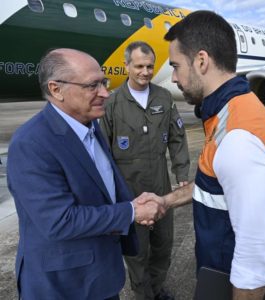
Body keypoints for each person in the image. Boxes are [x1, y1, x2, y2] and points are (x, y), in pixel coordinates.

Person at [139, 10, 265, 300]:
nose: (175, 79)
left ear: (202, 61)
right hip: (220, 277)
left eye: (177, 66)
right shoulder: (229, 111)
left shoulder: (237, 136)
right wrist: (165, 201)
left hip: (231, 287)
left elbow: (254, 260)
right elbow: (219, 184)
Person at [6, 48, 164, 300]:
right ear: (56, 89)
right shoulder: (31, 143)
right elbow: (59, 221)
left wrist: (130, 203)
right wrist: (132, 211)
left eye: (104, 82)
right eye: (93, 85)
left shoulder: (89, 124)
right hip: (64, 285)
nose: (105, 92)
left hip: (101, 276)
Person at [100, 41, 190, 300]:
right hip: (129, 191)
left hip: (160, 185)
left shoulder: (163, 97)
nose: (145, 71)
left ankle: (158, 288)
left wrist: (182, 174)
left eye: (149, 66)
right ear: (127, 66)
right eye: (139, 66)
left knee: (163, 245)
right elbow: (103, 152)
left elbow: (177, 137)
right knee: (137, 251)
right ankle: (144, 295)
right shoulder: (112, 103)